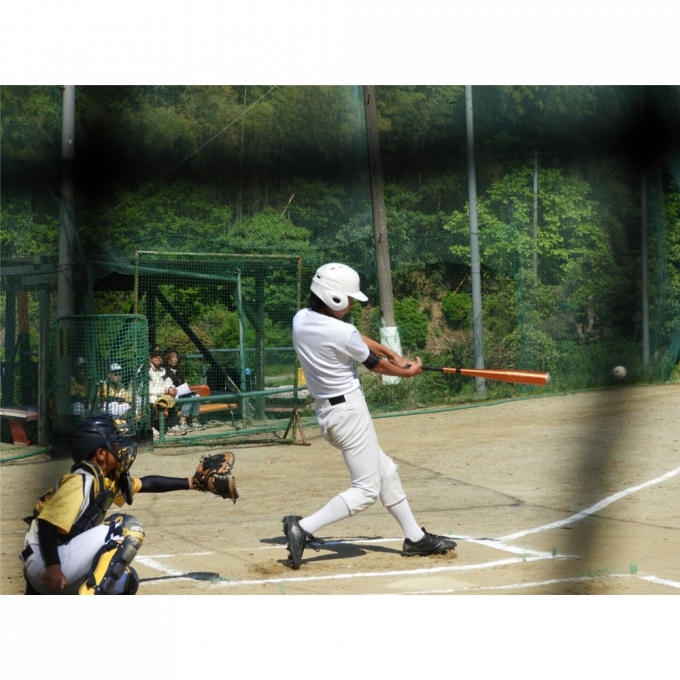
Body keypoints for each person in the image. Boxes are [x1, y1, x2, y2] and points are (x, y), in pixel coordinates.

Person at [282, 262, 457, 570]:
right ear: (334, 298)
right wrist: (408, 372)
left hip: (327, 412)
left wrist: (392, 354)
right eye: (349, 298)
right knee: (365, 491)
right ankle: (303, 527)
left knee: (385, 470)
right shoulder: (341, 331)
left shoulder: (301, 318)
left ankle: (415, 538)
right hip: (349, 413)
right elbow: (373, 364)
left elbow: (355, 338)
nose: (352, 303)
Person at [19, 413, 237, 595]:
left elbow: (147, 484)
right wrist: (53, 568)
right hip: (47, 563)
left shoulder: (106, 478)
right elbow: (46, 524)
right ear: (101, 454)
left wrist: (192, 483)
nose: (122, 447)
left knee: (126, 582)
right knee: (127, 527)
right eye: (115, 443)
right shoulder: (80, 482)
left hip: (59, 562)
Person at [165, 349, 204, 433]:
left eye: (176, 357)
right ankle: (182, 422)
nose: (175, 359)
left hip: (181, 395)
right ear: (167, 358)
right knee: (189, 397)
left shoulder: (178, 371)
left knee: (197, 396)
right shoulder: (165, 371)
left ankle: (194, 421)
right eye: (172, 357)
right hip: (172, 397)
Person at [147, 344, 182, 436]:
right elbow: (148, 389)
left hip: (158, 395)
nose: (158, 357)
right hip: (141, 398)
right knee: (152, 399)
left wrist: (172, 388)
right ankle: (150, 427)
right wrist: (166, 391)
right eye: (155, 355)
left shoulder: (162, 369)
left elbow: (168, 381)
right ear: (150, 356)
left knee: (171, 398)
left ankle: (172, 425)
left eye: (160, 355)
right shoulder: (145, 369)